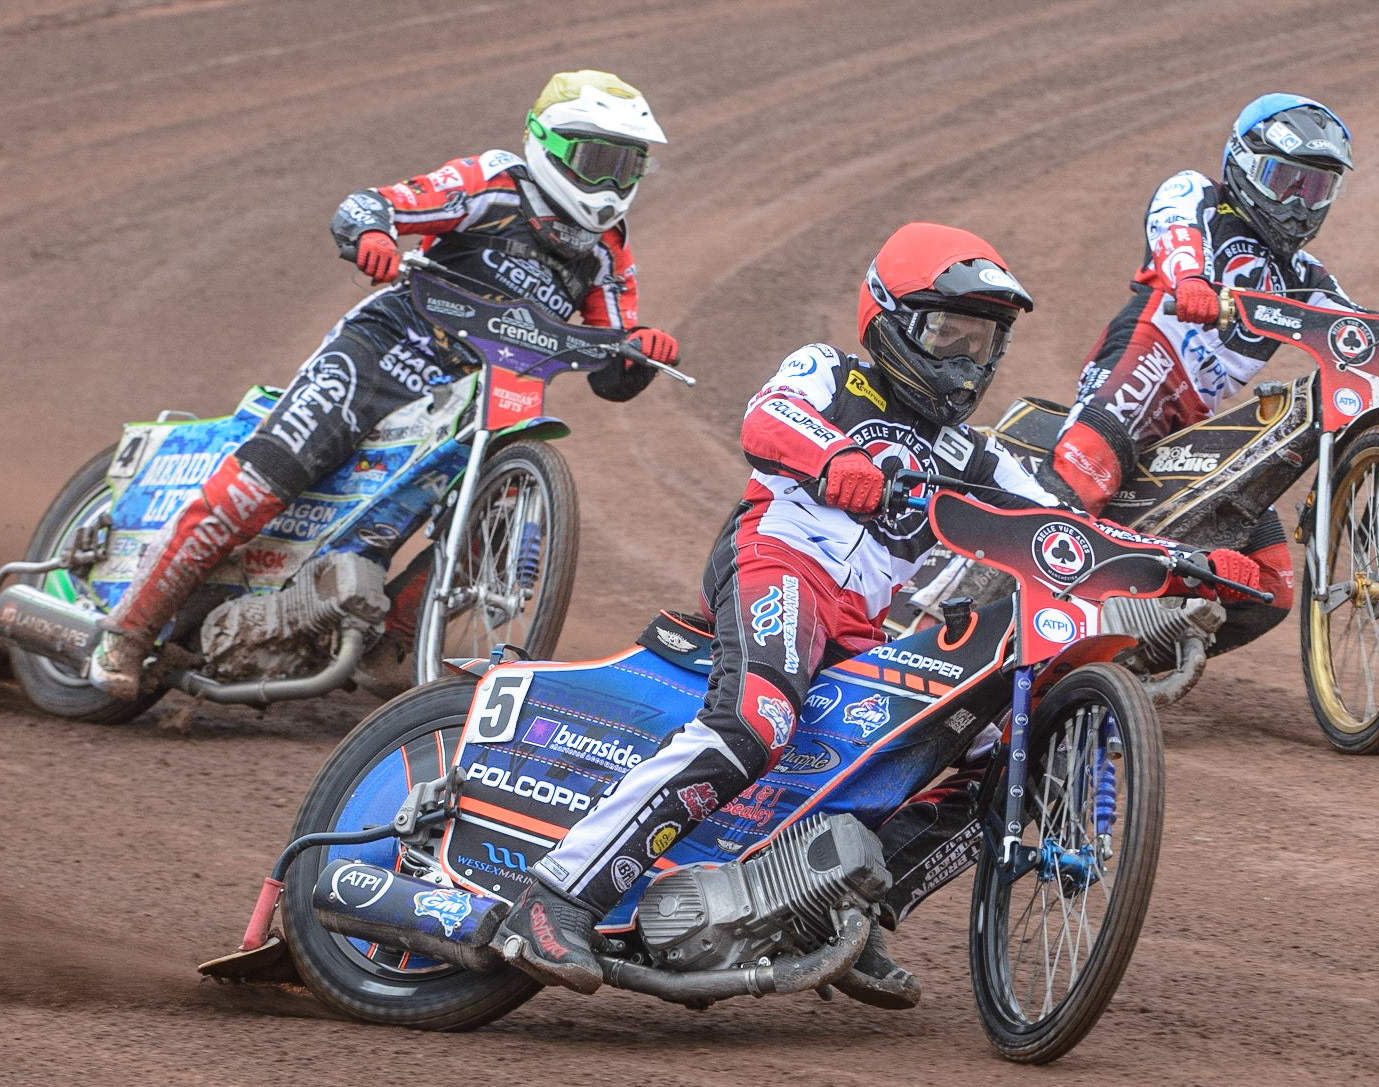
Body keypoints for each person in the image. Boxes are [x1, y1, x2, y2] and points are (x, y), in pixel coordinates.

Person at [494, 222, 1261, 1005]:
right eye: (947, 333)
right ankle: (555, 897)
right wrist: (833, 459)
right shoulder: (829, 372)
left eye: (982, 341)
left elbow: (1061, 529)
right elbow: (766, 418)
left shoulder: (973, 454)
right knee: (754, 720)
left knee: (978, 749)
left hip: (860, 626)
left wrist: (1186, 565)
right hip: (776, 562)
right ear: (889, 321)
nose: (966, 359)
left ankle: (840, 909)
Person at [88, 70, 681, 699]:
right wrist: (373, 234)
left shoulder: (608, 251)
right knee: (260, 487)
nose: (614, 183)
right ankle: (126, 631)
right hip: (381, 354)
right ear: (550, 145)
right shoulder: (493, 183)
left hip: (475, 398)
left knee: (511, 529)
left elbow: (612, 372)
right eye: (599, 161)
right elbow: (370, 204)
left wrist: (639, 350)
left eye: (629, 166)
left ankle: (395, 643)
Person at [1036, 93, 1379, 652]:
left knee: (1272, 587)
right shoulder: (1198, 194)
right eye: (1287, 180)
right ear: (1245, 162)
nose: (1300, 204)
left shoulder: (1304, 275)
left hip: (1197, 426)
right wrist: (1190, 281)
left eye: (1316, 189)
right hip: (1144, 368)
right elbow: (1174, 231)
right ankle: (958, 614)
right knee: (1077, 485)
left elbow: (1361, 336)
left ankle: (1113, 670)